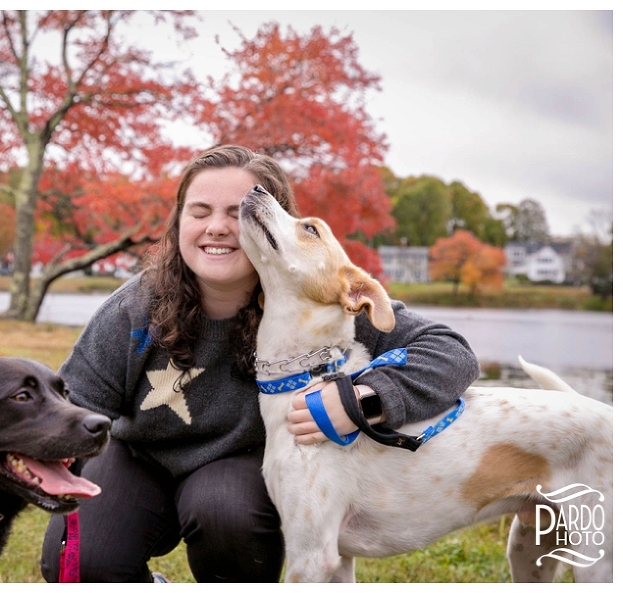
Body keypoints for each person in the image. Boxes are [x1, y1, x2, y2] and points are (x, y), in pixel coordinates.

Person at [39, 145, 480, 582]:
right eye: (200, 212)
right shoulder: (133, 308)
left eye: (236, 212)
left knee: (226, 513)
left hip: (239, 470)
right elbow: (72, 407)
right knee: (81, 564)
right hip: (138, 458)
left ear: (269, 222)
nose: (216, 228)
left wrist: (364, 400)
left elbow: (451, 352)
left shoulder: (317, 306)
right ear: (178, 224)